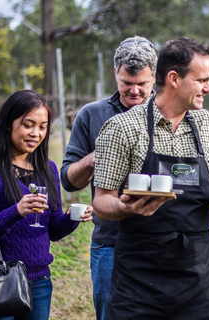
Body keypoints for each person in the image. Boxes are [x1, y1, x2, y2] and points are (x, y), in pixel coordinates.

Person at [92, 37, 209, 319]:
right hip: (138, 279)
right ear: (174, 78)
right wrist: (125, 208)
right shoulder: (122, 128)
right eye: (202, 80)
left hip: (197, 277)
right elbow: (101, 202)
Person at [60, 36, 157, 320]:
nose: (135, 91)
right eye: (127, 83)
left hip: (160, 240)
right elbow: (68, 180)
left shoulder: (168, 114)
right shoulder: (92, 114)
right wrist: (95, 156)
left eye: (143, 83)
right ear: (115, 73)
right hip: (109, 242)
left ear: (155, 76)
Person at [0, 90, 93, 320]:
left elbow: (54, 231)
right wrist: (16, 211)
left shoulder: (47, 169)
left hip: (39, 281)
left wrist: (72, 217)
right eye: (28, 125)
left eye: (42, 126)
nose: (35, 133)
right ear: (8, 124)